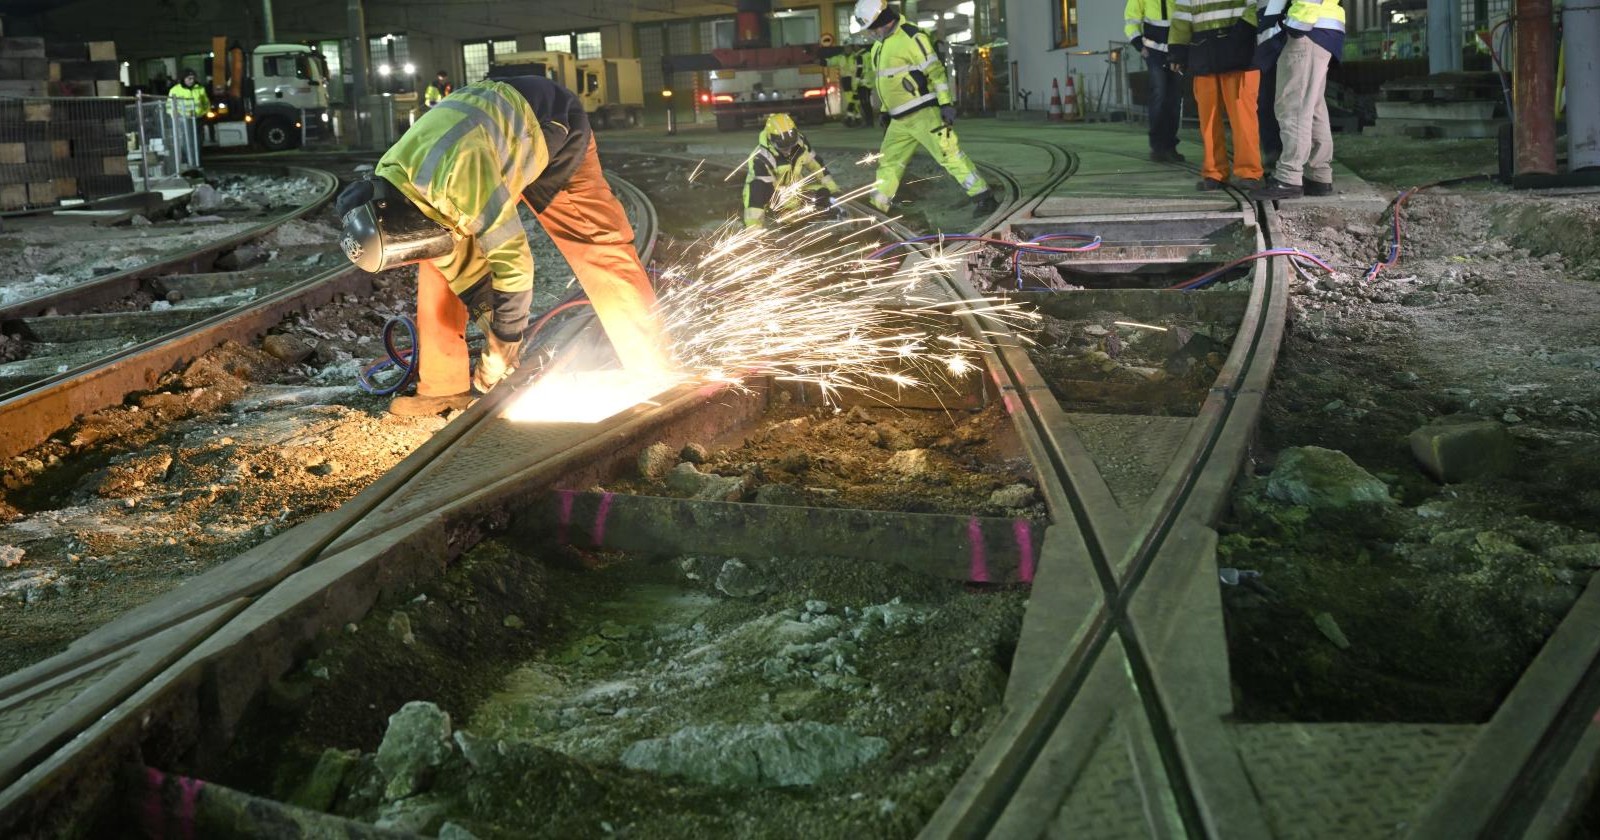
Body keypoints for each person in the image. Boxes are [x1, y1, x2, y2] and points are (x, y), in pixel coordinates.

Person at [336, 75, 673, 416]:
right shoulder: (393, 180)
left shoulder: (460, 176)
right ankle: (443, 388)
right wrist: (492, 324)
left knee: (598, 247)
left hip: (551, 126)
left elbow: (513, 261)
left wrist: (505, 342)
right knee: (434, 255)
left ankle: (656, 374)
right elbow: (460, 268)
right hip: (489, 143)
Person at [853, 0, 998, 214]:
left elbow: (936, 72)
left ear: (883, 20)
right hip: (899, 120)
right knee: (889, 163)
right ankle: (878, 208)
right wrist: (885, 111)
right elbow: (885, 83)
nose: (871, 33)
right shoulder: (878, 47)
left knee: (949, 155)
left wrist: (945, 103)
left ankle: (984, 197)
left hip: (924, 114)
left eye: (872, 28)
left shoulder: (912, 37)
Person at [1251, 0, 1345, 199]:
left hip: (1305, 29)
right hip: (1317, 30)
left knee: (1293, 107)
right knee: (1311, 107)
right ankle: (1318, 175)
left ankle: (1289, 177)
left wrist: (1296, 25)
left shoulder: (1301, 25)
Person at [1170, 0, 1265, 191]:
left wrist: (1244, 30)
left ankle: (1249, 172)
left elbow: (1258, 5)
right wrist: (1177, 51)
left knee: (1243, 119)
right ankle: (1214, 173)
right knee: (1209, 120)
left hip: (1238, 49)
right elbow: (1181, 15)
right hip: (1206, 53)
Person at [742, 113, 842, 228]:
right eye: (784, 146)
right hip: (774, 196)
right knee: (789, 221)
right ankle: (774, 218)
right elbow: (758, 194)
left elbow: (817, 166)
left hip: (795, 190)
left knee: (823, 193)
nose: (789, 150)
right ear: (771, 139)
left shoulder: (800, 143)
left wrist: (833, 190)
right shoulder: (761, 158)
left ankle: (798, 212)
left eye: (791, 144)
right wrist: (754, 227)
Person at [1124, 0, 1187, 163]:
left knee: (1174, 99)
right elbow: (1131, 20)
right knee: (1160, 94)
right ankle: (1158, 147)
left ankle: (1169, 146)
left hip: (1177, 50)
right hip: (1154, 52)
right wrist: (1139, 44)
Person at [167, 68, 209, 171]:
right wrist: (175, 115)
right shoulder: (175, 90)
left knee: (198, 143)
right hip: (183, 121)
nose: (192, 80)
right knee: (186, 143)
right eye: (189, 78)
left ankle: (197, 164)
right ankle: (188, 164)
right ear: (183, 79)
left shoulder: (200, 89)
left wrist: (203, 113)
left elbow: (206, 103)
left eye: (193, 78)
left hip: (197, 120)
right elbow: (169, 106)